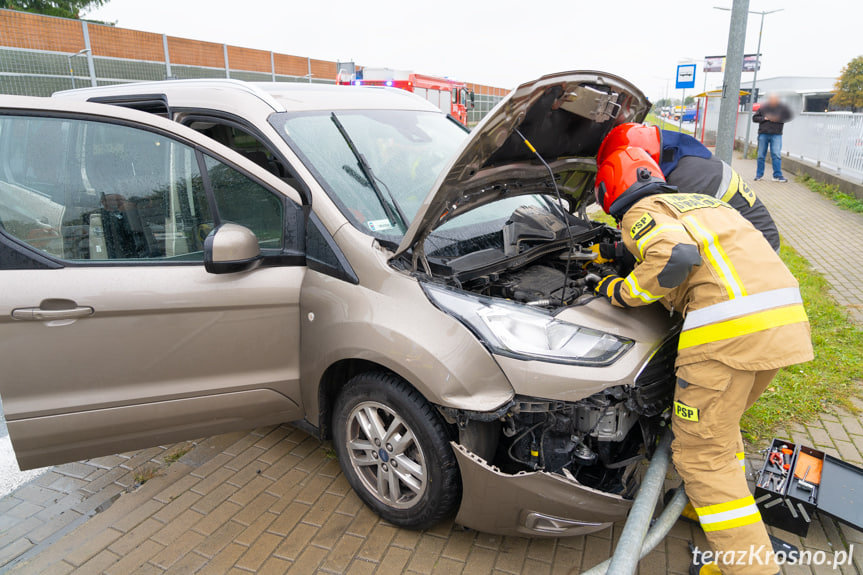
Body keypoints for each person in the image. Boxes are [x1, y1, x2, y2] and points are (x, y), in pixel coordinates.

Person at [592, 146, 813, 575]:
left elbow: (674, 254)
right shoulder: (700, 202)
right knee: (719, 434)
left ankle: (747, 568)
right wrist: (616, 254)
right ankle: (707, 505)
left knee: (699, 456)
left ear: (611, 190)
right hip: (778, 324)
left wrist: (617, 290)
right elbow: (703, 252)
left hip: (727, 335)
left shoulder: (643, 209)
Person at [597, 123, 780, 251]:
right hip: (744, 240)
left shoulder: (687, 179)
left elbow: (670, 245)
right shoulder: (681, 157)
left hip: (756, 250)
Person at [752, 93, 792, 182]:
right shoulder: (763, 108)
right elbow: (754, 118)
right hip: (763, 133)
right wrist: (764, 118)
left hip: (776, 134)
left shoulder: (783, 108)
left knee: (776, 154)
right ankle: (759, 175)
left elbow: (788, 117)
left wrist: (777, 118)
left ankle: (777, 175)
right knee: (761, 155)